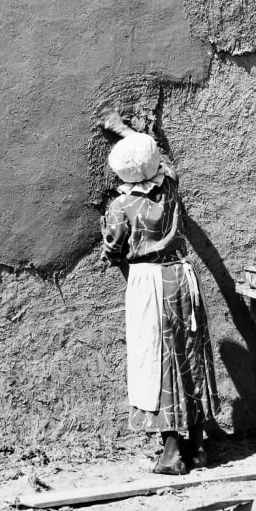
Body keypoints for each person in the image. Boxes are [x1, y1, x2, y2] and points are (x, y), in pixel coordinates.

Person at [98, 114, 219, 474]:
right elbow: (160, 160)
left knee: (157, 362)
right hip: (182, 276)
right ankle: (196, 446)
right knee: (189, 355)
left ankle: (170, 453)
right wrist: (127, 130)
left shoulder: (121, 208)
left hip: (149, 284)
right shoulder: (170, 187)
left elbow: (112, 251)